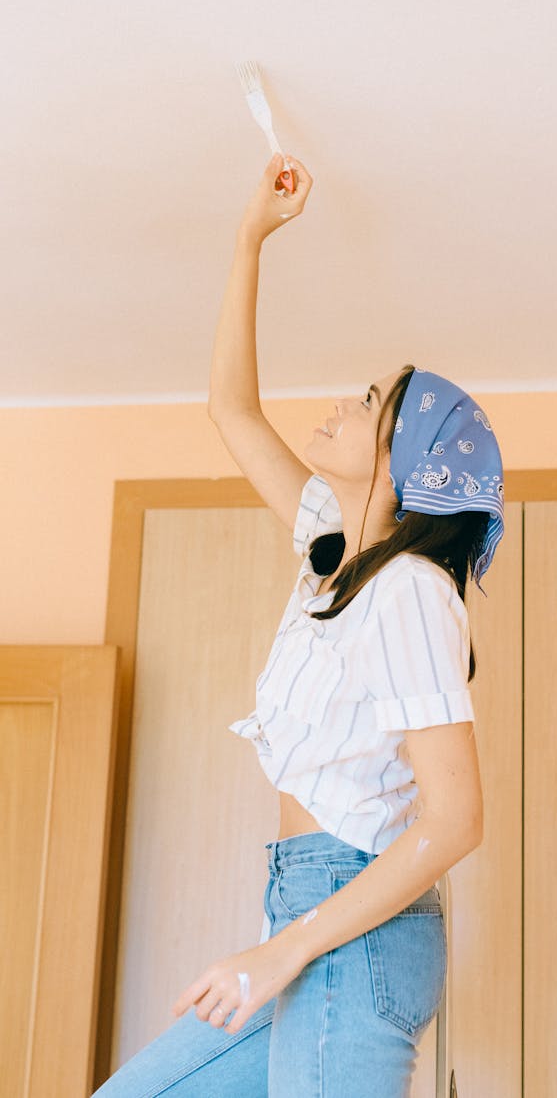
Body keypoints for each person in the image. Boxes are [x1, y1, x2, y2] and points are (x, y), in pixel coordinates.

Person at [93, 154, 504, 1098]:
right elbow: (230, 410)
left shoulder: (408, 589)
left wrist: (282, 954)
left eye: (368, 406)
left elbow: (458, 819)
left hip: (347, 933)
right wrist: (249, 238)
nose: (340, 404)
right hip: (311, 909)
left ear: (408, 466)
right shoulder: (335, 548)